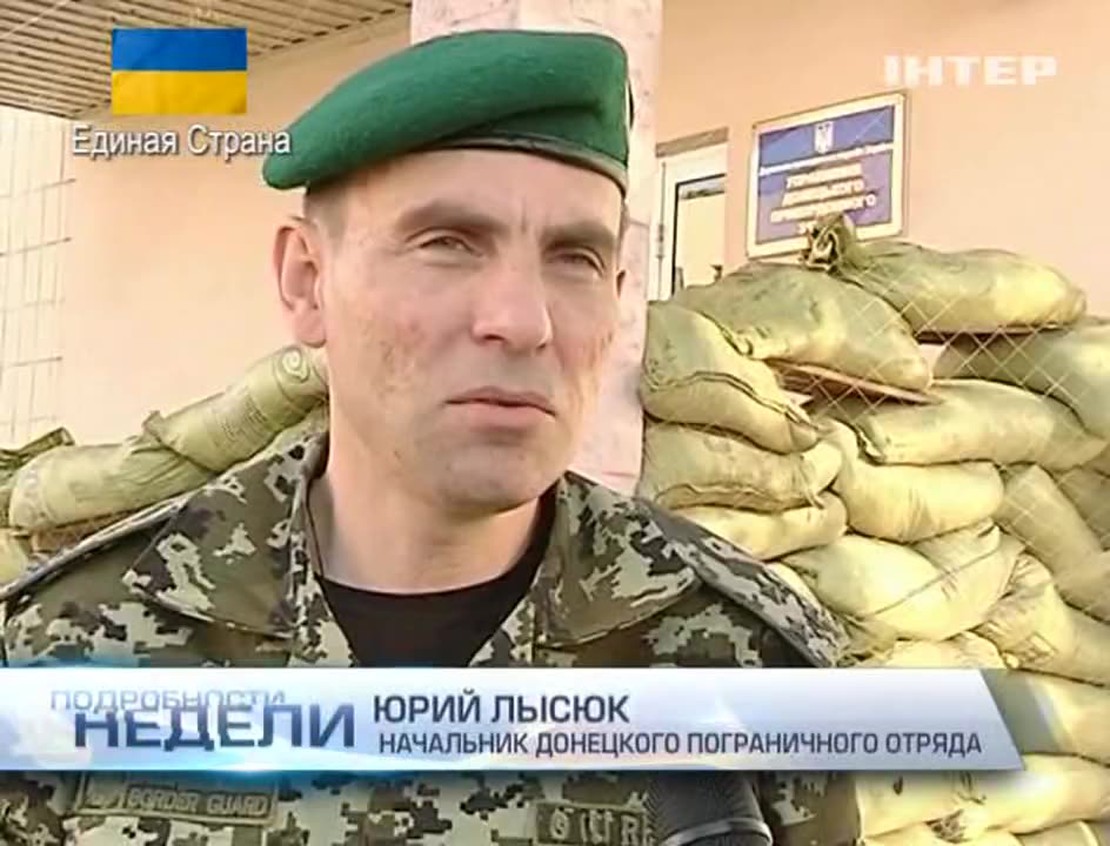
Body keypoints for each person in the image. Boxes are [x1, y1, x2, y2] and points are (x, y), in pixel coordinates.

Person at [0, 29, 860, 846]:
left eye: (576, 258)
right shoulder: (75, 644)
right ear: (307, 282)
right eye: (448, 243)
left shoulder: (742, 657)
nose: (523, 322)